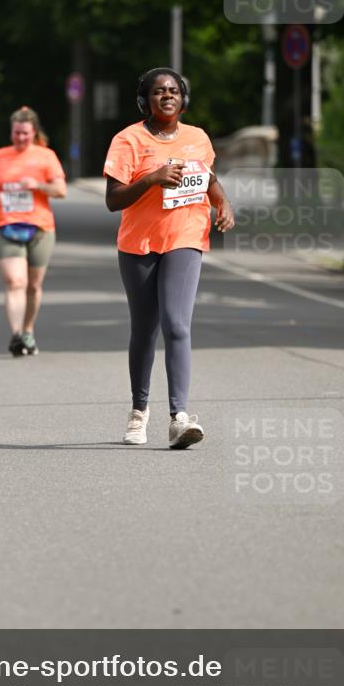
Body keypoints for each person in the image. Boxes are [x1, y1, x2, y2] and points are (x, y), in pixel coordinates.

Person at [104, 67, 235, 448]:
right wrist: (152, 178)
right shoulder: (128, 140)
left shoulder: (198, 138)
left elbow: (209, 180)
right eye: (159, 91)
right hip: (139, 245)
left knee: (177, 324)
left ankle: (179, 417)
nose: (167, 96)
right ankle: (138, 412)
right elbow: (113, 199)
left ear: (183, 98)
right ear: (145, 100)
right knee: (145, 329)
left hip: (186, 238)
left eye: (174, 91)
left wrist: (223, 203)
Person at [0, 106, 67, 356]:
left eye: (25, 134)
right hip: (5, 225)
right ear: (11, 132)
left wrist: (38, 185)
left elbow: (61, 190)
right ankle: (16, 335)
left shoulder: (46, 156)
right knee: (15, 281)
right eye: (16, 133)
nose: (20, 138)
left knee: (33, 286)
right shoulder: (0, 155)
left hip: (40, 228)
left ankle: (28, 330)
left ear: (34, 133)